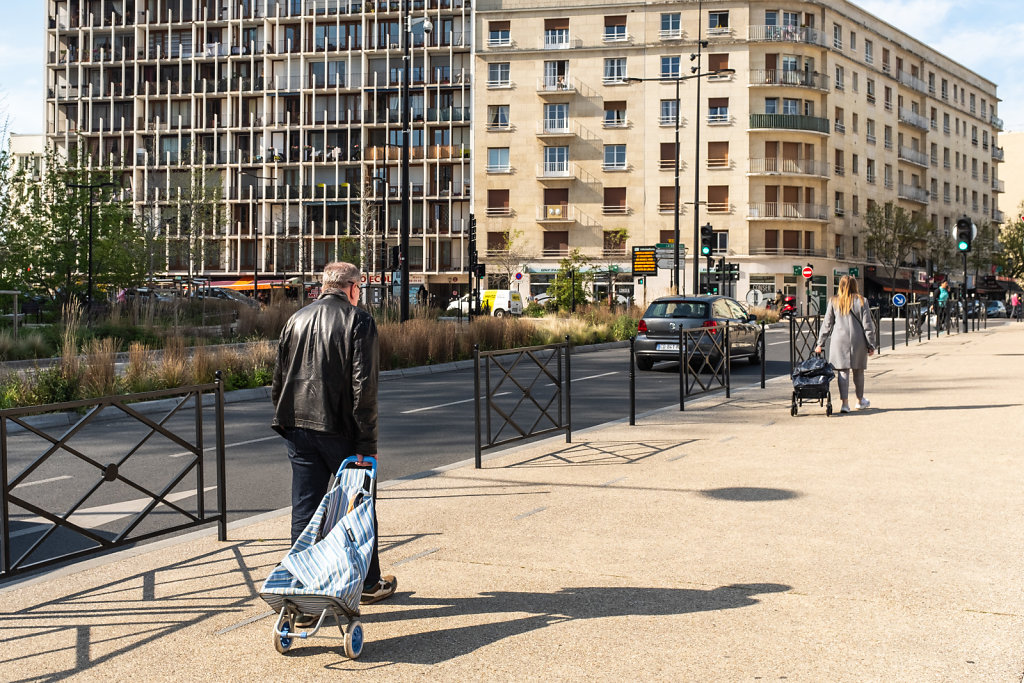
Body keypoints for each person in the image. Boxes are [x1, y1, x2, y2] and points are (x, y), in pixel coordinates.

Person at [271, 261, 396, 613]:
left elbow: (278, 378)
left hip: (297, 426)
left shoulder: (295, 319)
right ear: (353, 288)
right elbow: (364, 387)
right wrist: (365, 445)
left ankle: (301, 585)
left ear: (324, 286)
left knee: (305, 510)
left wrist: (284, 421)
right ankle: (368, 584)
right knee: (358, 509)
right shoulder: (359, 321)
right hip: (339, 431)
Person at [814, 275, 876, 414]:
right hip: (858, 339)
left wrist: (820, 343)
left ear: (840, 286)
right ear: (855, 286)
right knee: (858, 370)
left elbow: (827, 324)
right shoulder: (862, 301)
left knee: (843, 371)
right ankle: (860, 401)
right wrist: (871, 344)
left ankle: (845, 404)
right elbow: (868, 325)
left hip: (839, 339)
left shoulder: (834, 301)